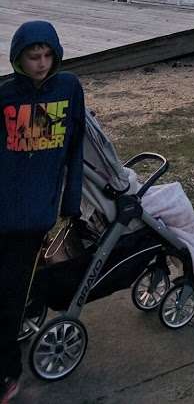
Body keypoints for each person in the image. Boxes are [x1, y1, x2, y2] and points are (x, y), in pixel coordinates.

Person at [0, 22, 85, 402]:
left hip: (34, 214)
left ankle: (7, 373)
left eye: (48, 55)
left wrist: (71, 202)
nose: (42, 64)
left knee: (9, 295)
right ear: (18, 58)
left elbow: (76, 148)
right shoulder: (5, 96)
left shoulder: (69, 89)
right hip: (4, 202)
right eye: (34, 57)